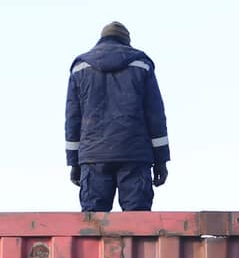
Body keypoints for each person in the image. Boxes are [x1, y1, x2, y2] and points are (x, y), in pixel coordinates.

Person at [64, 22, 170, 213]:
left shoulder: (80, 68)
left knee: (92, 224)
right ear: (126, 42)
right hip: (135, 156)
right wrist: (161, 161)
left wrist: (74, 162)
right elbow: (156, 116)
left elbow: (73, 119)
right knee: (138, 224)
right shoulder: (142, 65)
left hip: (93, 157)